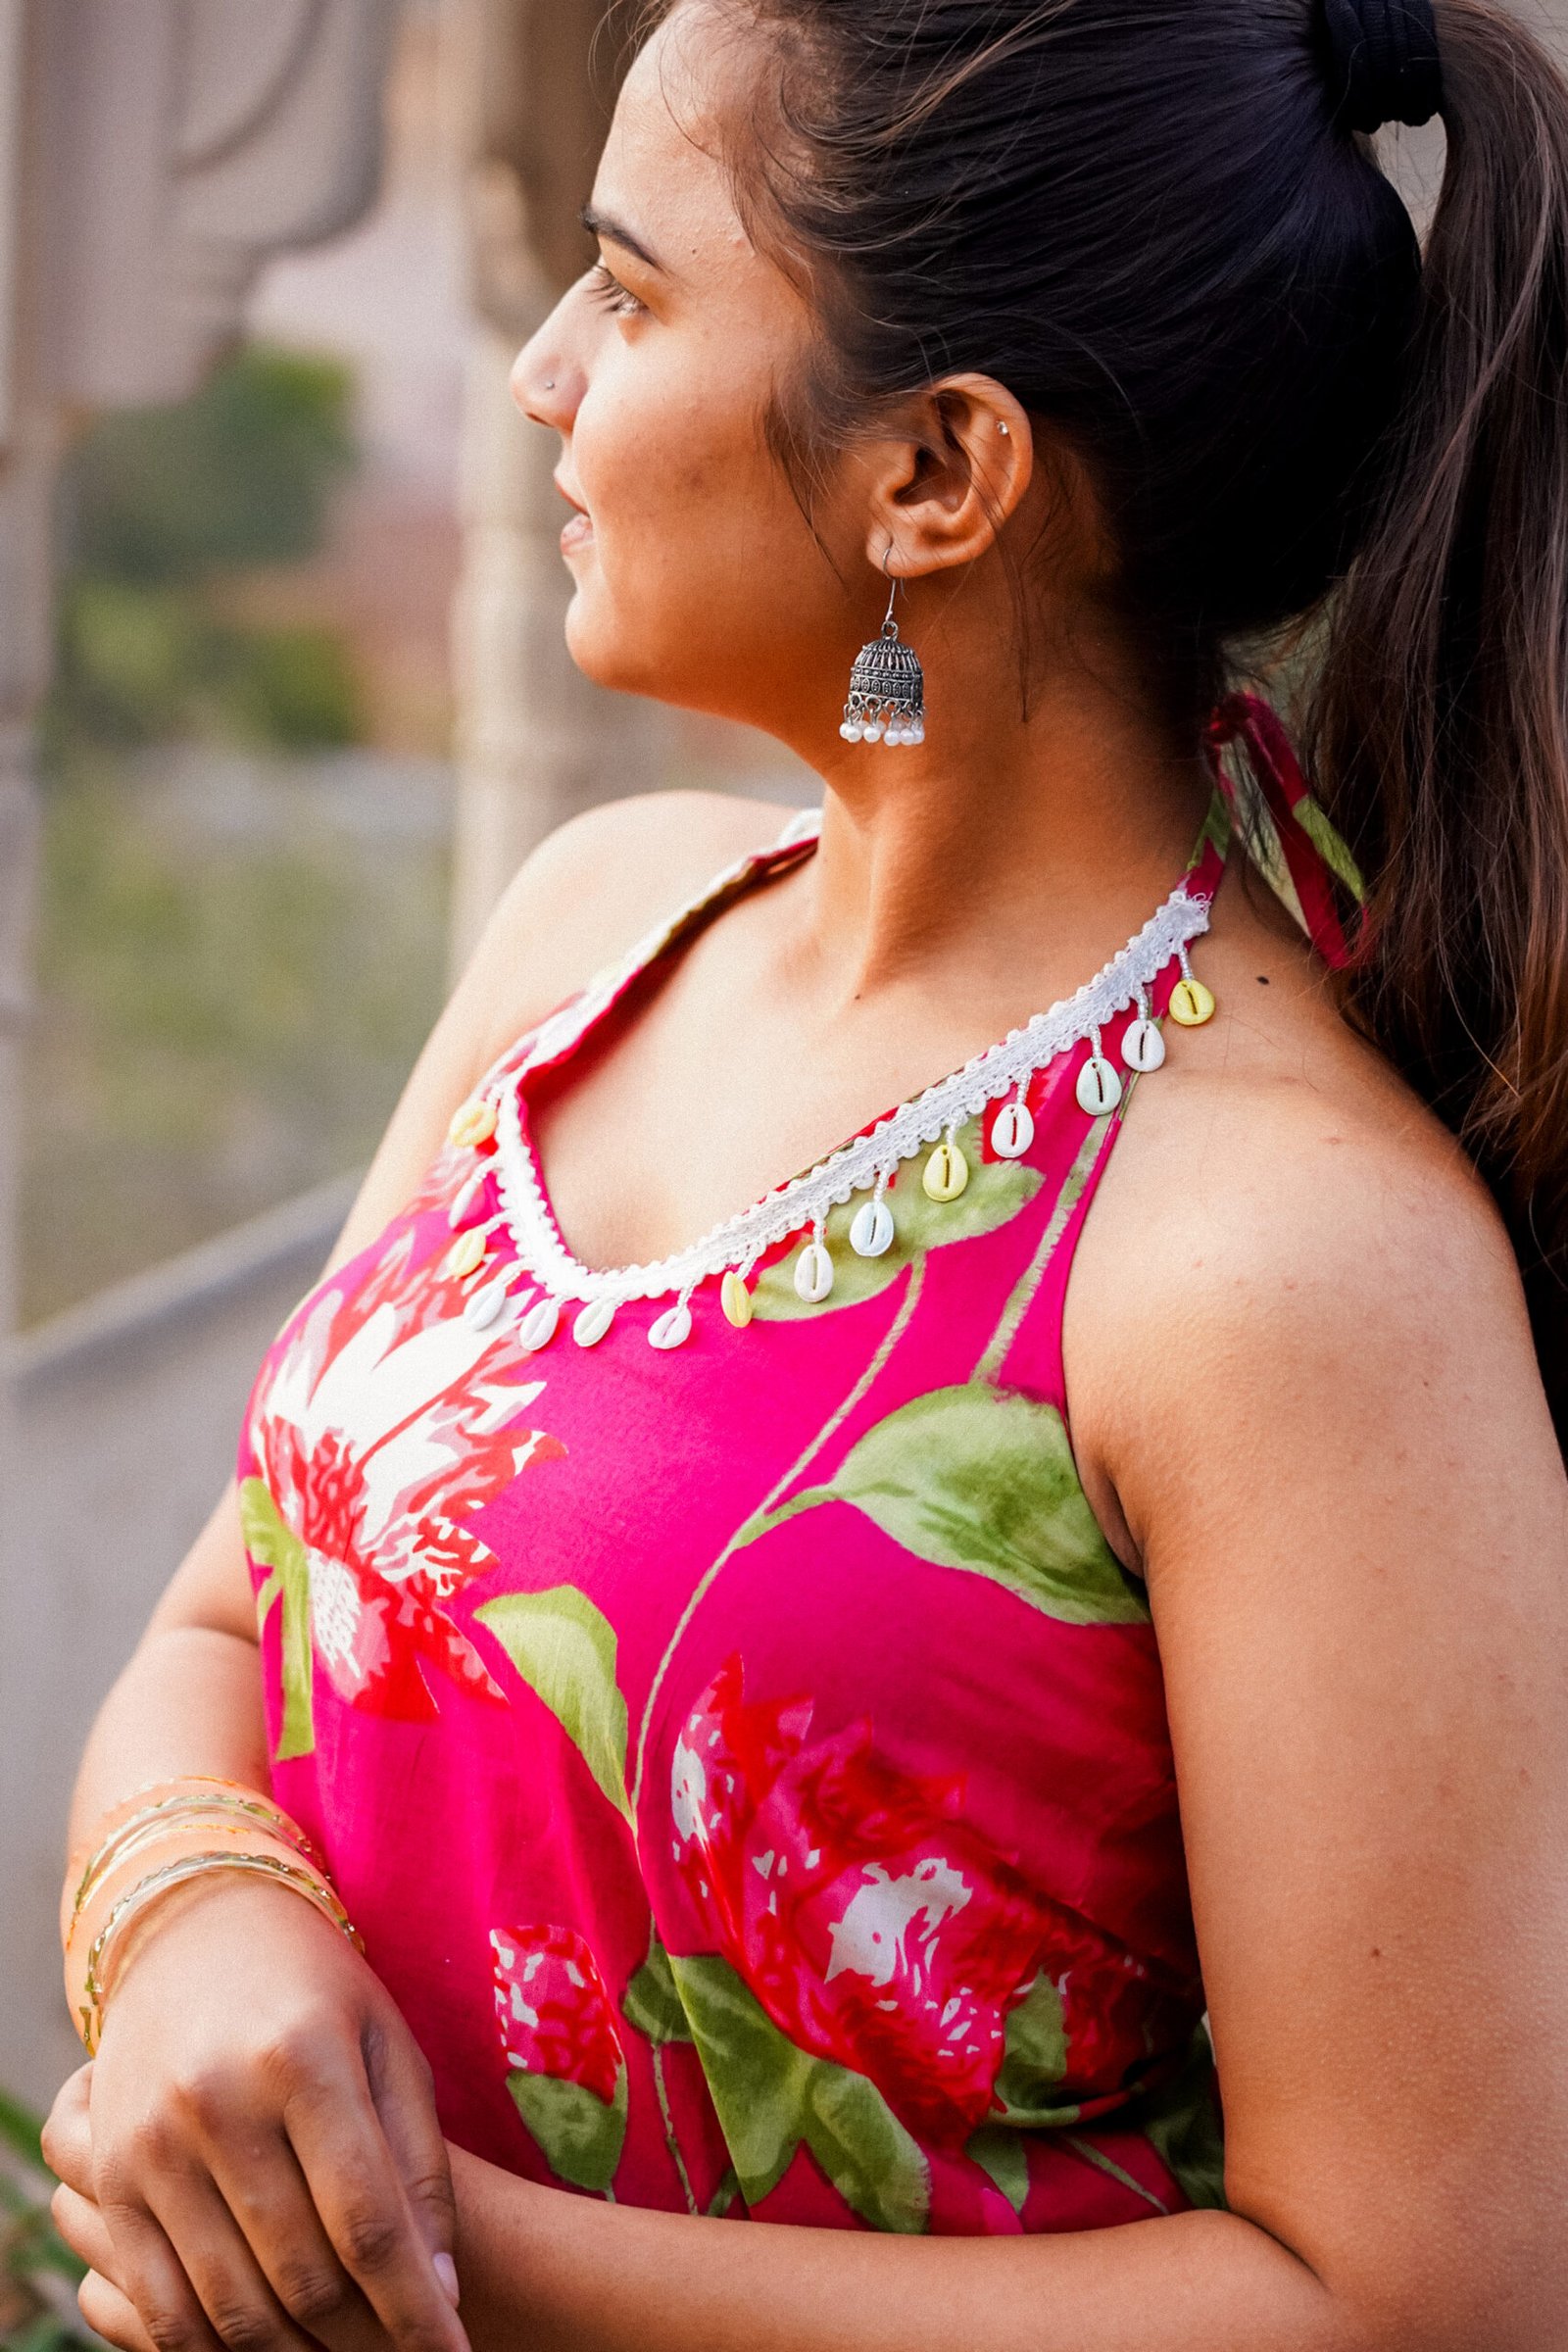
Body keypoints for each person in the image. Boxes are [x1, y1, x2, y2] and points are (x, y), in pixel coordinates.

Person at [40, 0, 1568, 2345]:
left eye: (631, 294)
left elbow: (1406, 2301)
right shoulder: (597, 928)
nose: (546, 373)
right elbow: (225, 1629)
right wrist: (188, 1928)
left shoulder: (1280, 1263)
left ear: (934, 474)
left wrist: (410, 2251)